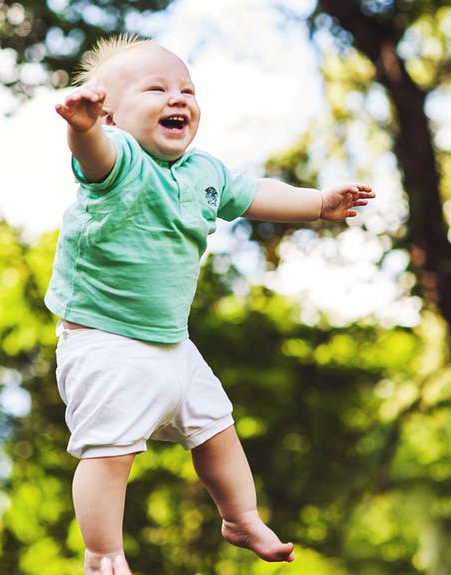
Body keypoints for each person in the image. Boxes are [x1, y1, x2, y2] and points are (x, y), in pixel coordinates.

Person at [45, 35, 375, 575]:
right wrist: (82, 129)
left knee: (217, 429)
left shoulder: (204, 172)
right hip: (104, 342)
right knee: (110, 453)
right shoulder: (120, 159)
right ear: (112, 115)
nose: (178, 98)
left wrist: (318, 204)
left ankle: (241, 517)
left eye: (187, 90)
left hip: (173, 343)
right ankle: (102, 552)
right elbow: (94, 155)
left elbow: (256, 194)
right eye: (156, 89)